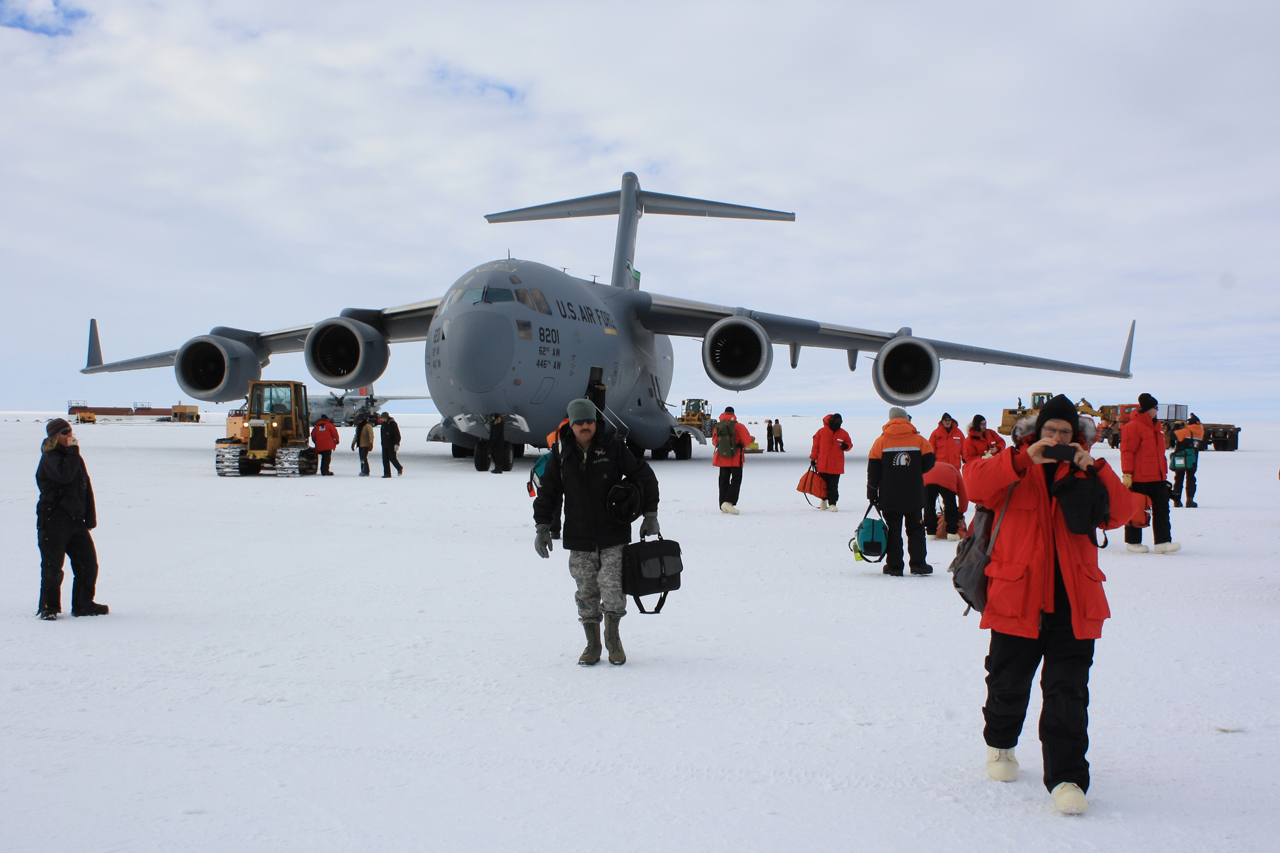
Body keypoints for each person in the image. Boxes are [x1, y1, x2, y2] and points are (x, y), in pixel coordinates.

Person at [963, 394, 1131, 815]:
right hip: (1016, 597)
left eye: (1065, 432)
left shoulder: (1088, 472)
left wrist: (1096, 469)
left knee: (1067, 693)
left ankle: (1067, 778)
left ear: (1077, 438)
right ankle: (1001, 744)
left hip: (1074, 602)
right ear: (1038, 432)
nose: (1057, 438)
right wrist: (1023, 460)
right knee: (1007, 683)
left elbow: (1122, 513)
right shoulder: (1014, 465)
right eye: (1051, 430)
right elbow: (973, 485)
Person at [533, 398, 660, 666]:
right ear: (571, 424)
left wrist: (650, 514)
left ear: (595, 421)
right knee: (586, 592)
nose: (585, 426)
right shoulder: (561, 453)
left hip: (613, 534)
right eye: (579, 422)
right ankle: (592, 644)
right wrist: (542, 527)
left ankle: (613, 639)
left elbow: (644, 475)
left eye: (589, 421)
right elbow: (548, 492)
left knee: (613, 589)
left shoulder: (613, 447)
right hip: (579, 537)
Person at [36, 419, 108, 620]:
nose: (70, 435)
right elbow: (64, 476)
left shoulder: (74, 457)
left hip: (76, 520)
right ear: (55, 437)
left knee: (88, 564)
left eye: (70, 431)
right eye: (65, 432)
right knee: (52, 566)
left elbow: (85, 487)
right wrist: (73, 451)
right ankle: (48, 608)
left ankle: (83, 605)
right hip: (54, 518)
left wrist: (89, 518)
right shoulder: (50, 457)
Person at [866, 407, 935, 576]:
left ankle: (894, 566)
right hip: (914, 494)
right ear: (906, 419)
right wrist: (914, 471)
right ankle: (918, 564)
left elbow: (873, 471)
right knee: (916, 530)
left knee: (893, 531)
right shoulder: (920, 440)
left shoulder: (880, 442)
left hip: (889, 495)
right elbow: (930, 461)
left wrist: (872, 494)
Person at [1120, 393, 1180, 554]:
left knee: (1162, 510)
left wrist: (1163, 474)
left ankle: (1162, 542)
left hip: (1157, 477)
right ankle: (1133, 542)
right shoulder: (1132, 427)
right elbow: (1127, 451)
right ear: (1148, 409)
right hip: (1139, 478)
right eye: (1156, 408)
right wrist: (1127, 473)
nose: (1157, 410)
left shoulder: (1157, 427)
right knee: (1137, 509)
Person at [712, 406, 753, 514]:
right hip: (736, 458)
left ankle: (722, 504)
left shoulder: (718, 426)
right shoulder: (738, 426)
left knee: (723, 480)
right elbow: (747, 441)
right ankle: (729, 502)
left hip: (722, 458)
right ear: (733, 414)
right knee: (736, 479)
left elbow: (715, 442)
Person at [809, 413, 852, 511]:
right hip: (822, 464)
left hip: (836, 465)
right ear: (831, 421)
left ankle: (832, 504)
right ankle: (823, 500)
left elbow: (849, 444)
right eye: (836, 420)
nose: (838, 423)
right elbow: (815, 447)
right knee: (823, 485)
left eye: (840, 421)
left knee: (833, 485)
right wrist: (813, 459)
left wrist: (846, 446)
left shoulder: (844, 433)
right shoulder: (821, 432)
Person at [923, 460, 968, 540]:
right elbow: (963, 495)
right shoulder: (954, 470)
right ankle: (952, 532)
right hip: (947, 478)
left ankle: (931, 532)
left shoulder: (930, 465)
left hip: (927, 476)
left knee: (929, 504)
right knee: (950, 503)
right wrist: (961, 512)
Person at [1171, 414, 1204, 508]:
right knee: (1191, 478)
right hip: (1193, 458)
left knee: (1179, 478)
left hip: (1181, 458)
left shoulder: (1186, 431)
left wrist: (1176, 426)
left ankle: (1177, 501)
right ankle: (1190, 500)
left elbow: (1172, 435)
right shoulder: (1200, 432)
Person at [380, 412, 403, 478]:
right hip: (384, 444)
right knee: (385, 459)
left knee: (392, 458)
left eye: (383, 418)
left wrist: (397, 443)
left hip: (391, 445)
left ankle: (399, 468)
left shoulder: (393, 424)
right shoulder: (383, 425)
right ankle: (387, 473)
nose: (382, 419)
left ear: (386, 417)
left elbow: (397, 435)